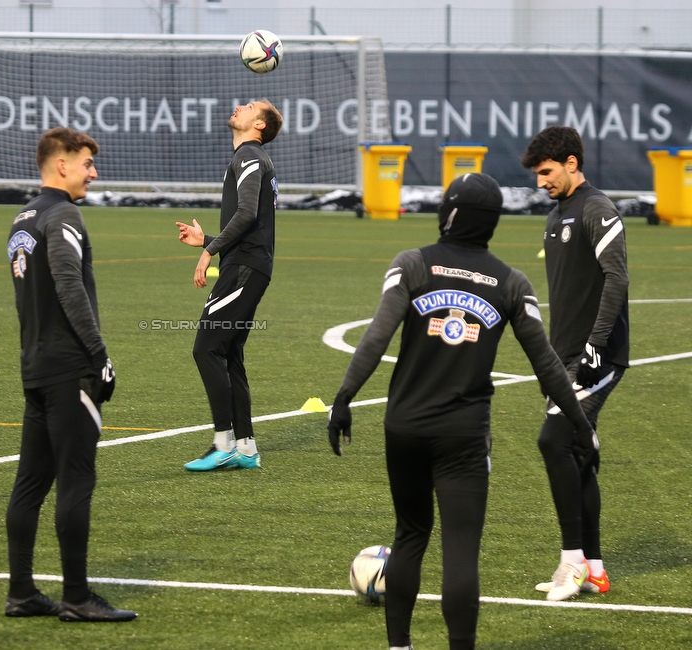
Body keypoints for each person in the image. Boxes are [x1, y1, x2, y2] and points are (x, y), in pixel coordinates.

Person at [327, 173, 597, 650]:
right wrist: (580, 425)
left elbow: (376, 336)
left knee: (410, 535)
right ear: (492, 223)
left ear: (447, 213)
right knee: (460, 551)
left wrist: (345, 398)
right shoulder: (512, 283)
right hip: (465, 435)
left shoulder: (411, 264)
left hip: (405, 425)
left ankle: (399, 647)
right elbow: (548, 365)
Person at [4, 127, 135, 622]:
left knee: (30, 485)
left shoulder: (23, 218)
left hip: (35, 366)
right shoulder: (63, 215)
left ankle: (22, 592)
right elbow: (66, 283)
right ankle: (77, 598)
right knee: (75, 483)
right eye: (86, 163)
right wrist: (99, 355)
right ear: (61, 164)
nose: (93, 173)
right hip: (68, 369)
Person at [521, 125, 629, 602]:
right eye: (537, 175)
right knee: (578, 458)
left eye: (546, 172)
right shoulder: (557, 213)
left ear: (571, 163)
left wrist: (594, 347)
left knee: (552, 441)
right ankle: (596, 570)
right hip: (562, 357)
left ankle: (572, 563)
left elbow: (616, 279)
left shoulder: (597, 208)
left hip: (594, 357)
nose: (540, 182)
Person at [175, 99, 283, 471]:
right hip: (249, 265)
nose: (239, 106)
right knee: (228, 353)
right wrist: (207, 241)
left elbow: (247, 212)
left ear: (259, 127)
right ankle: (247, 447)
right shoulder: (250, 157)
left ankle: (223, 444)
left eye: (250, 106)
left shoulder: (251, 155)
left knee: (206, 348)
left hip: (243, 269)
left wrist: (210, 253)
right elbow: (250, 221)